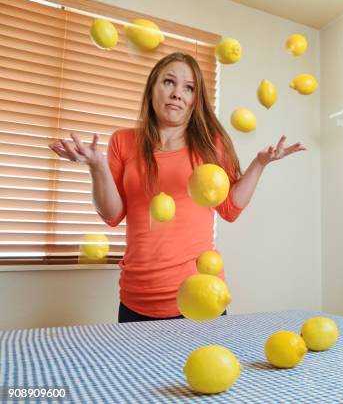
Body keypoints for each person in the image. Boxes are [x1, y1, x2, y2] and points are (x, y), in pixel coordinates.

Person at [48, 52, 305, 323]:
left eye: (189, 88)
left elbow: (229, 209)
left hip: (202, 294)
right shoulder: (123, 142)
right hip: (138, 295)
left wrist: (259, 163)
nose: (177, 93)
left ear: (195, 101)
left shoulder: (211, 145)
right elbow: (112, 215)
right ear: (151, 91)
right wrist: (97, 167)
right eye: (168, 82)